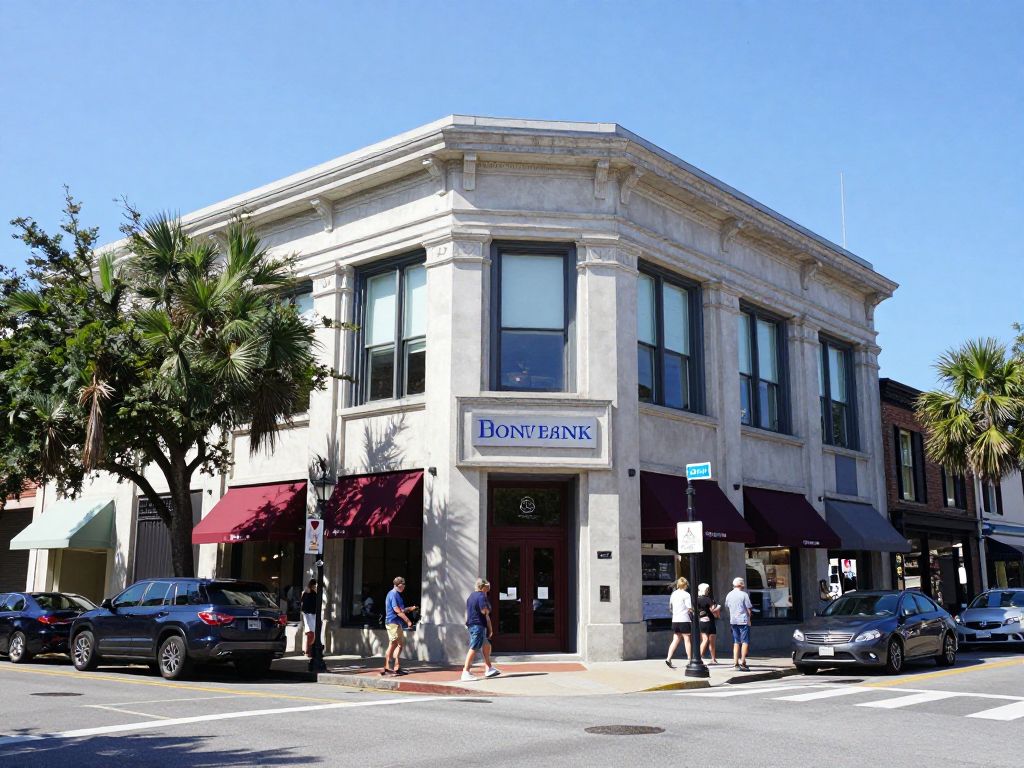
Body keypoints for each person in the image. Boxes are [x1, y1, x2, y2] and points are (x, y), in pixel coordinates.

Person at [461, 578, 501, 681]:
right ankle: (465, 672)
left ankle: (489, 668)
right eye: (487, 587)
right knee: (474, 647)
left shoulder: (471, 596)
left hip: (473, 624)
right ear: (483, 587)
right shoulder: (481, 596)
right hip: (478, 625)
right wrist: (488, 609)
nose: (489, 588)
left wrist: (489, 627)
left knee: (486, 645)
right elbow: (484, 611)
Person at [382, 576, 417, 676]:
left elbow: (401, 610)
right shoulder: (392, 594)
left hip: (397, 623)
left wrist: (409, 609)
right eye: (402, 584)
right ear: (397, 585)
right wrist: (408, 621)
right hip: (392, 622)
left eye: (404, 584)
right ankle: (387, 668)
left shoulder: (398, 594)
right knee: (393, 644)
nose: (404, 586)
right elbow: (397, 610)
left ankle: (396, 667)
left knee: (400, 645)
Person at [725, 576, 753, 671]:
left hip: (733, 620)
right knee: (745, 641)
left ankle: (735, 662)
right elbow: (749, 608)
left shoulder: (729, 594)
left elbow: (727, 606)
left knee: (736, 642)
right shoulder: (744, 595)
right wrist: (749, 618)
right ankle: (743, 662)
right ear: (741, 584)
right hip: (743, 620)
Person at [665, 577, 693, 668]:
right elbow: (689, 608)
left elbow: (670, 607)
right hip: (684, 619)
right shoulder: (686, 594)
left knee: (675, 639)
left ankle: (668, 658)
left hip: (675, 619)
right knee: (687, 640)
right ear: (686, 585)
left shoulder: (673, 594)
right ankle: (689, 659)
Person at [696, 582, 719, 664]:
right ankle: (704, 658)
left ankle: (699, 657)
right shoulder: (708, 599)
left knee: (704, 639)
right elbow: (713, 610)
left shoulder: (697, 599)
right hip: (710, 621)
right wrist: (718, 609)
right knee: (711, 641)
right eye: (708, 589)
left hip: (701, 621)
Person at [301, 580, 318, 657]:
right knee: (311, 633)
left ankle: (309, 651)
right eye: (315, 585)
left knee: (311, 633)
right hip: (310, 614)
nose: (316, 587)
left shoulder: (307, 592)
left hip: (309, 614)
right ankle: (309, 651)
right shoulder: (311, 593)